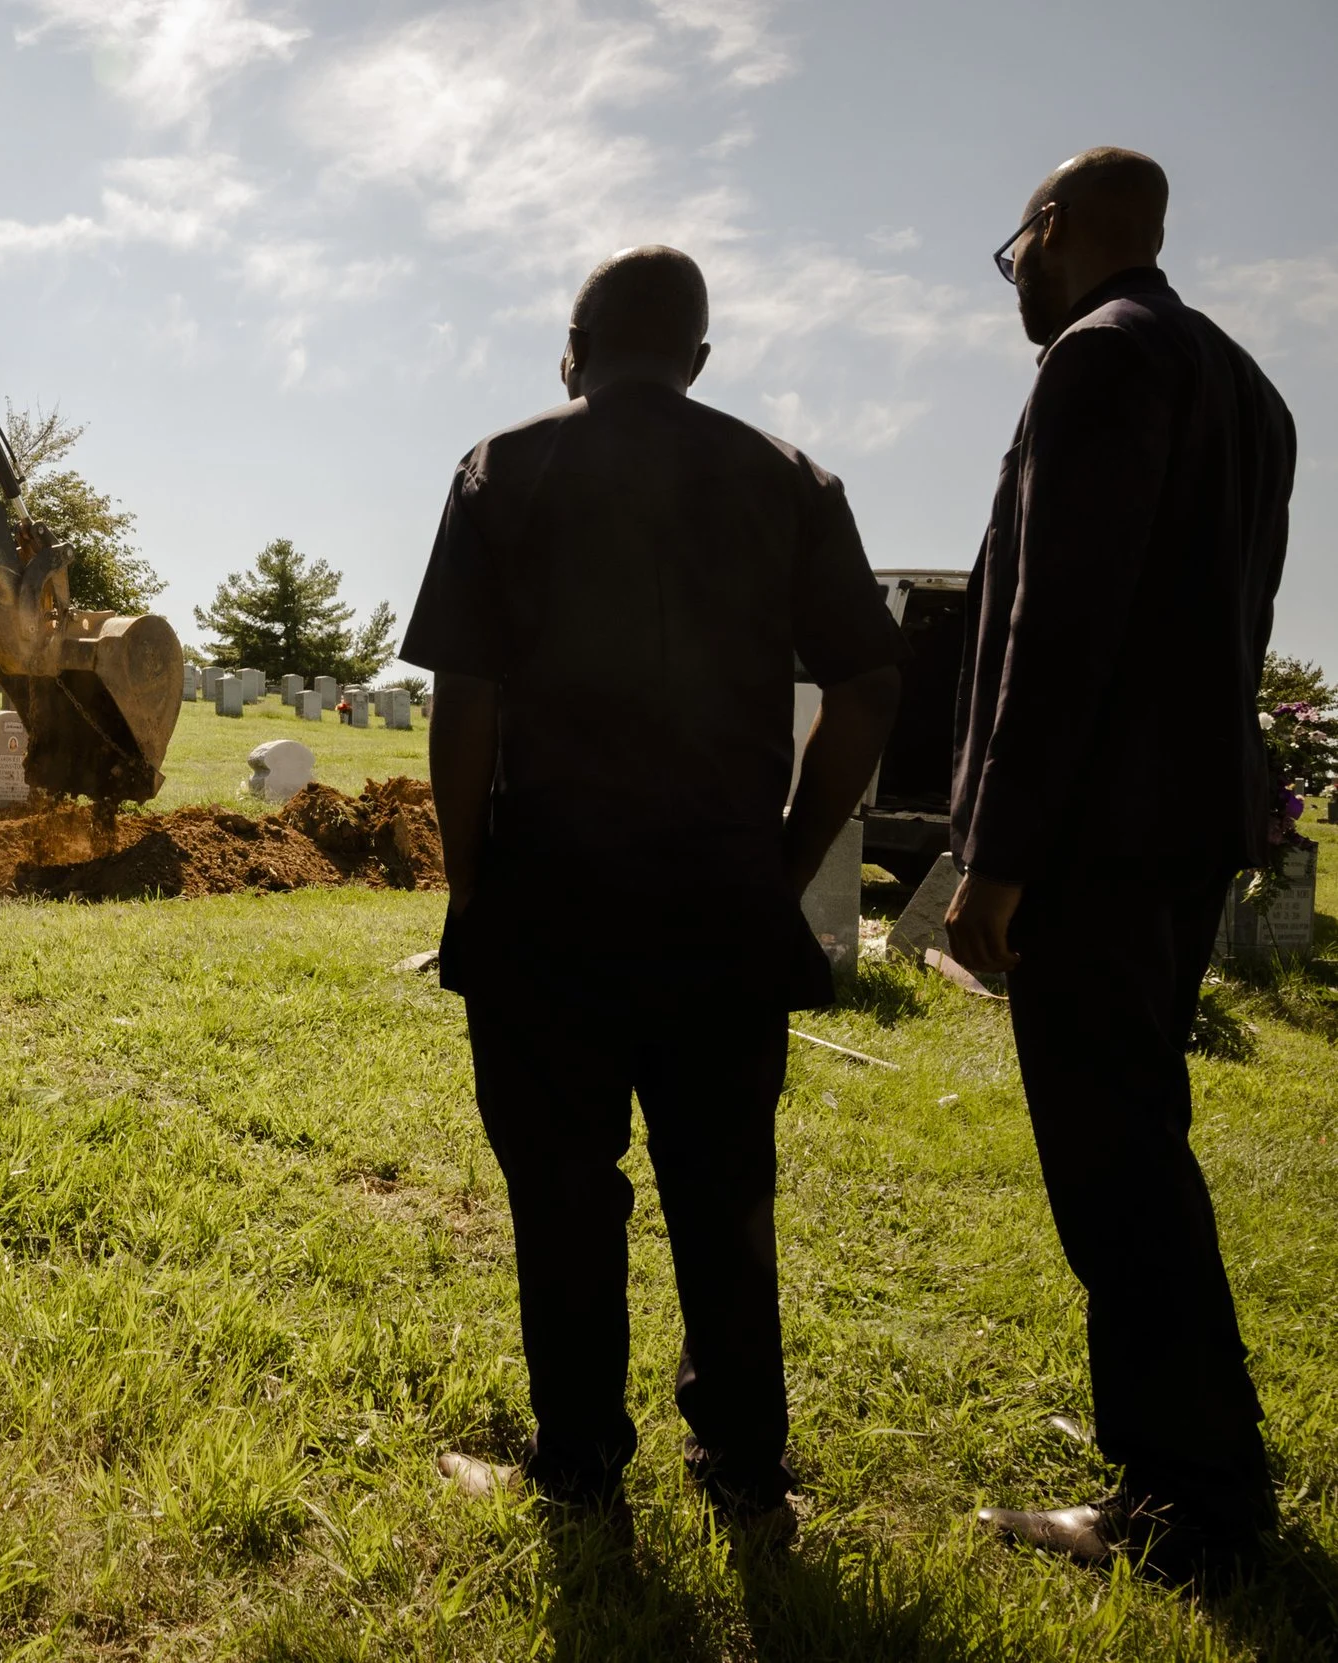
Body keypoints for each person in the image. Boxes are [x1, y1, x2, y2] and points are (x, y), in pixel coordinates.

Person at [410, 246, 905, 1535]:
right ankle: (745, 1468)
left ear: (570, 350)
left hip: (548, 902)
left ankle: (579, 1466)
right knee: (725, 1182)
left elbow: (465, 698)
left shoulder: (502, 467)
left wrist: (474, 891)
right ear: (696, 358)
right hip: (723, 905)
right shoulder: (793, 480)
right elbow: (866, 689)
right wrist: (785, 861)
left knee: (563, 1193)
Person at [947, 148, 1295, 1585]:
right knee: (1142, 1137)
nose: (1013, 277)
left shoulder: (1096, 357)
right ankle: (1195, 1465)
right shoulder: (1248, 386)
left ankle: (1188, 1499)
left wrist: (995, 857)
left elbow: (1063, 623)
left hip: (1088, 842)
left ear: (1054, 229)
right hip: (1186, 830)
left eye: (1013, 247)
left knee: (1115, 1166)